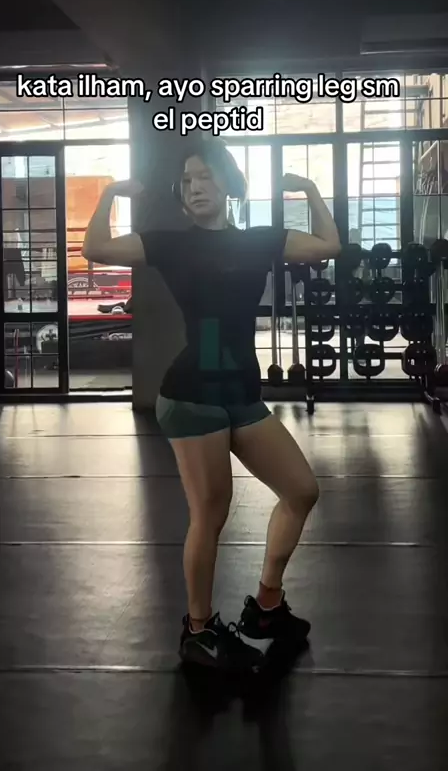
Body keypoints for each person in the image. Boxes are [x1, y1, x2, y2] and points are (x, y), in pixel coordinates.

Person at [82, 139, 341, 673]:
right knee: (211, 513)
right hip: (190, 394)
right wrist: (110, 194)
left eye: (204, 177)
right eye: (186, 182)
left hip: (242, 393)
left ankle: (266, 606)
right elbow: (97, 248)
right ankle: (198, 630)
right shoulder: (169, 244)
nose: (194, 187)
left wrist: (312, 190)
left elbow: (329, 245)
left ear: (229, 183)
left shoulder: (262, 240)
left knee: (301, 490)